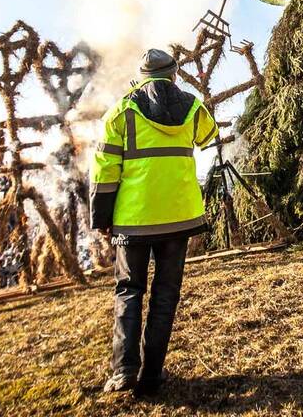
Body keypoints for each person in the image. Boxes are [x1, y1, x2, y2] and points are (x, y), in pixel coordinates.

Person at [91, 48, 219, 396]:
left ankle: (124, 370)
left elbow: (104, 169)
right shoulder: (193, 107)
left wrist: (102, 218)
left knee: (129, 290)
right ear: (174, 74)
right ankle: (152, 375)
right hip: (177, 216)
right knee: (166, 294)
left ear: (143, 76)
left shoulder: (121, 111)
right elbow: (209, 137)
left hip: (133, 219)